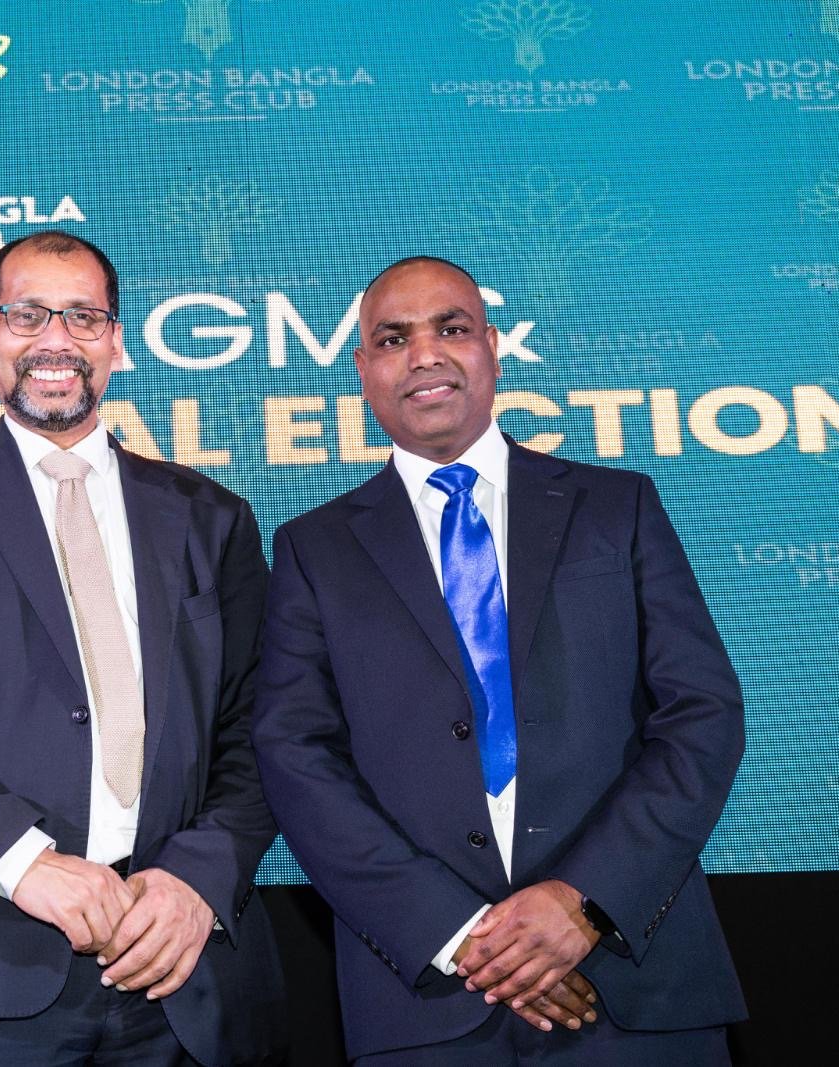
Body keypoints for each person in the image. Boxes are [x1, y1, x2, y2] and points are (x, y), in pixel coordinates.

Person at [251, 256, 746, 1064]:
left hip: (634, 984)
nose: (424, 354)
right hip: (433, 1004)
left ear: (492, 348)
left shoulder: (617, 506)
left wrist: (583, 902)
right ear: (363, 371)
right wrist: (466, 937)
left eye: (450, 328)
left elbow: (703, 715)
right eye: (393, 339)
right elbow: (295, 758)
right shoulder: (313, 550)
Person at [0, 230, 286, 1065]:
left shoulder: (211, 516)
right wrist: (24, 861)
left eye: (82, 316)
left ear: (117, 341)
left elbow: (261, 727)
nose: (56, 340)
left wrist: (197, 878)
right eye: (27, 315)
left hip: (182, 968)